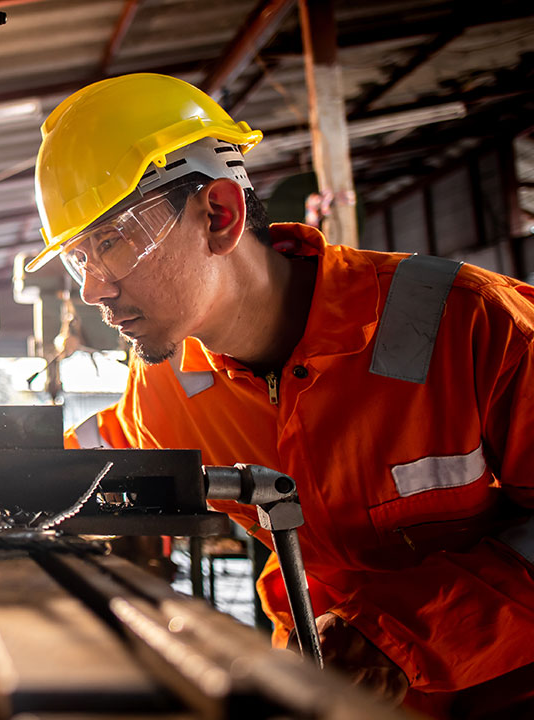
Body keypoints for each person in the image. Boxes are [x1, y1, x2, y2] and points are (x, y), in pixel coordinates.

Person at [28, 73, 533, 718]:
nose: (93, 290)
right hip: (330, 693)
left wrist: (398, 637)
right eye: (78, 260)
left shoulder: (471, 326)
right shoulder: (166, 379)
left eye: (113, 242)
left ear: (220, 215)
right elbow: (103, 454)